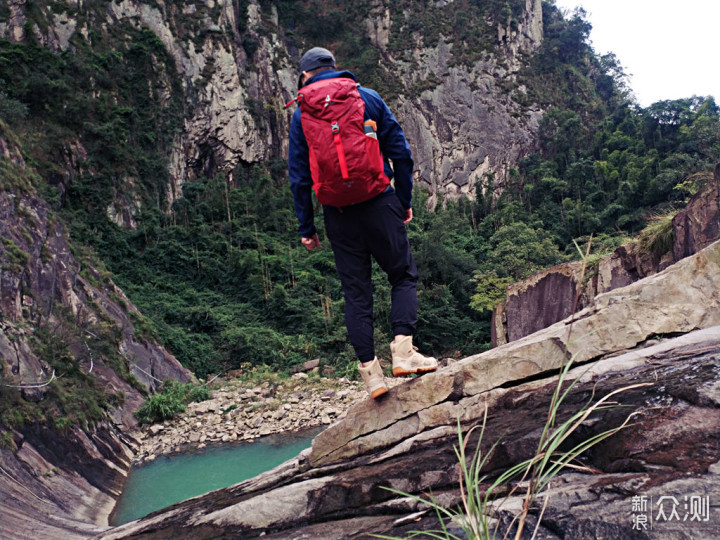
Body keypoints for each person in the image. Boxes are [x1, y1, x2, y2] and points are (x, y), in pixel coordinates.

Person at [287, 47, 438, 399]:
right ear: (334, 68)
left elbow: (298, 177)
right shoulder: (366, 98)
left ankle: (373, 377)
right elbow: (401, 152)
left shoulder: (301, 114)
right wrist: (403, 202)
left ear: (306, 75)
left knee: (357, 293)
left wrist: (306, 228)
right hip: (379, 201)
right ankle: (403, 352)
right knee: (402, 274)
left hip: (338, 213)